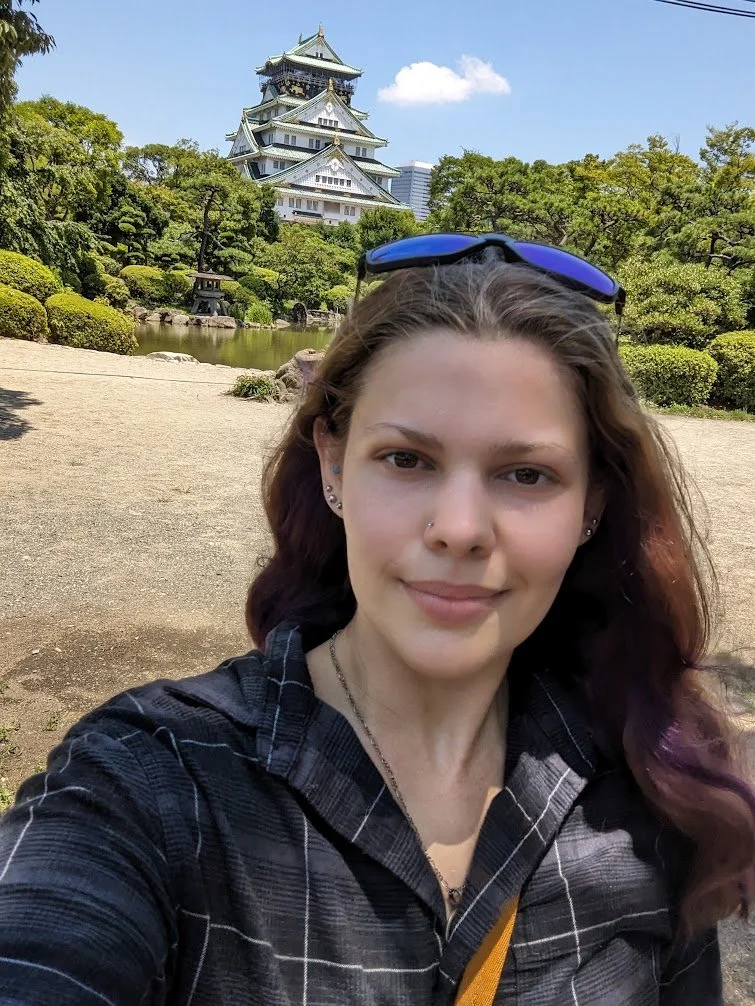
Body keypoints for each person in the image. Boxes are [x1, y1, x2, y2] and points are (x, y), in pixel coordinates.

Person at [0, 234, 753, 1006]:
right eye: (405, 459)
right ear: (332, 464)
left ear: (590, 504)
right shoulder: (153, 782)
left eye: (525, 474)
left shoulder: (649, 799)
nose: (459, 528)